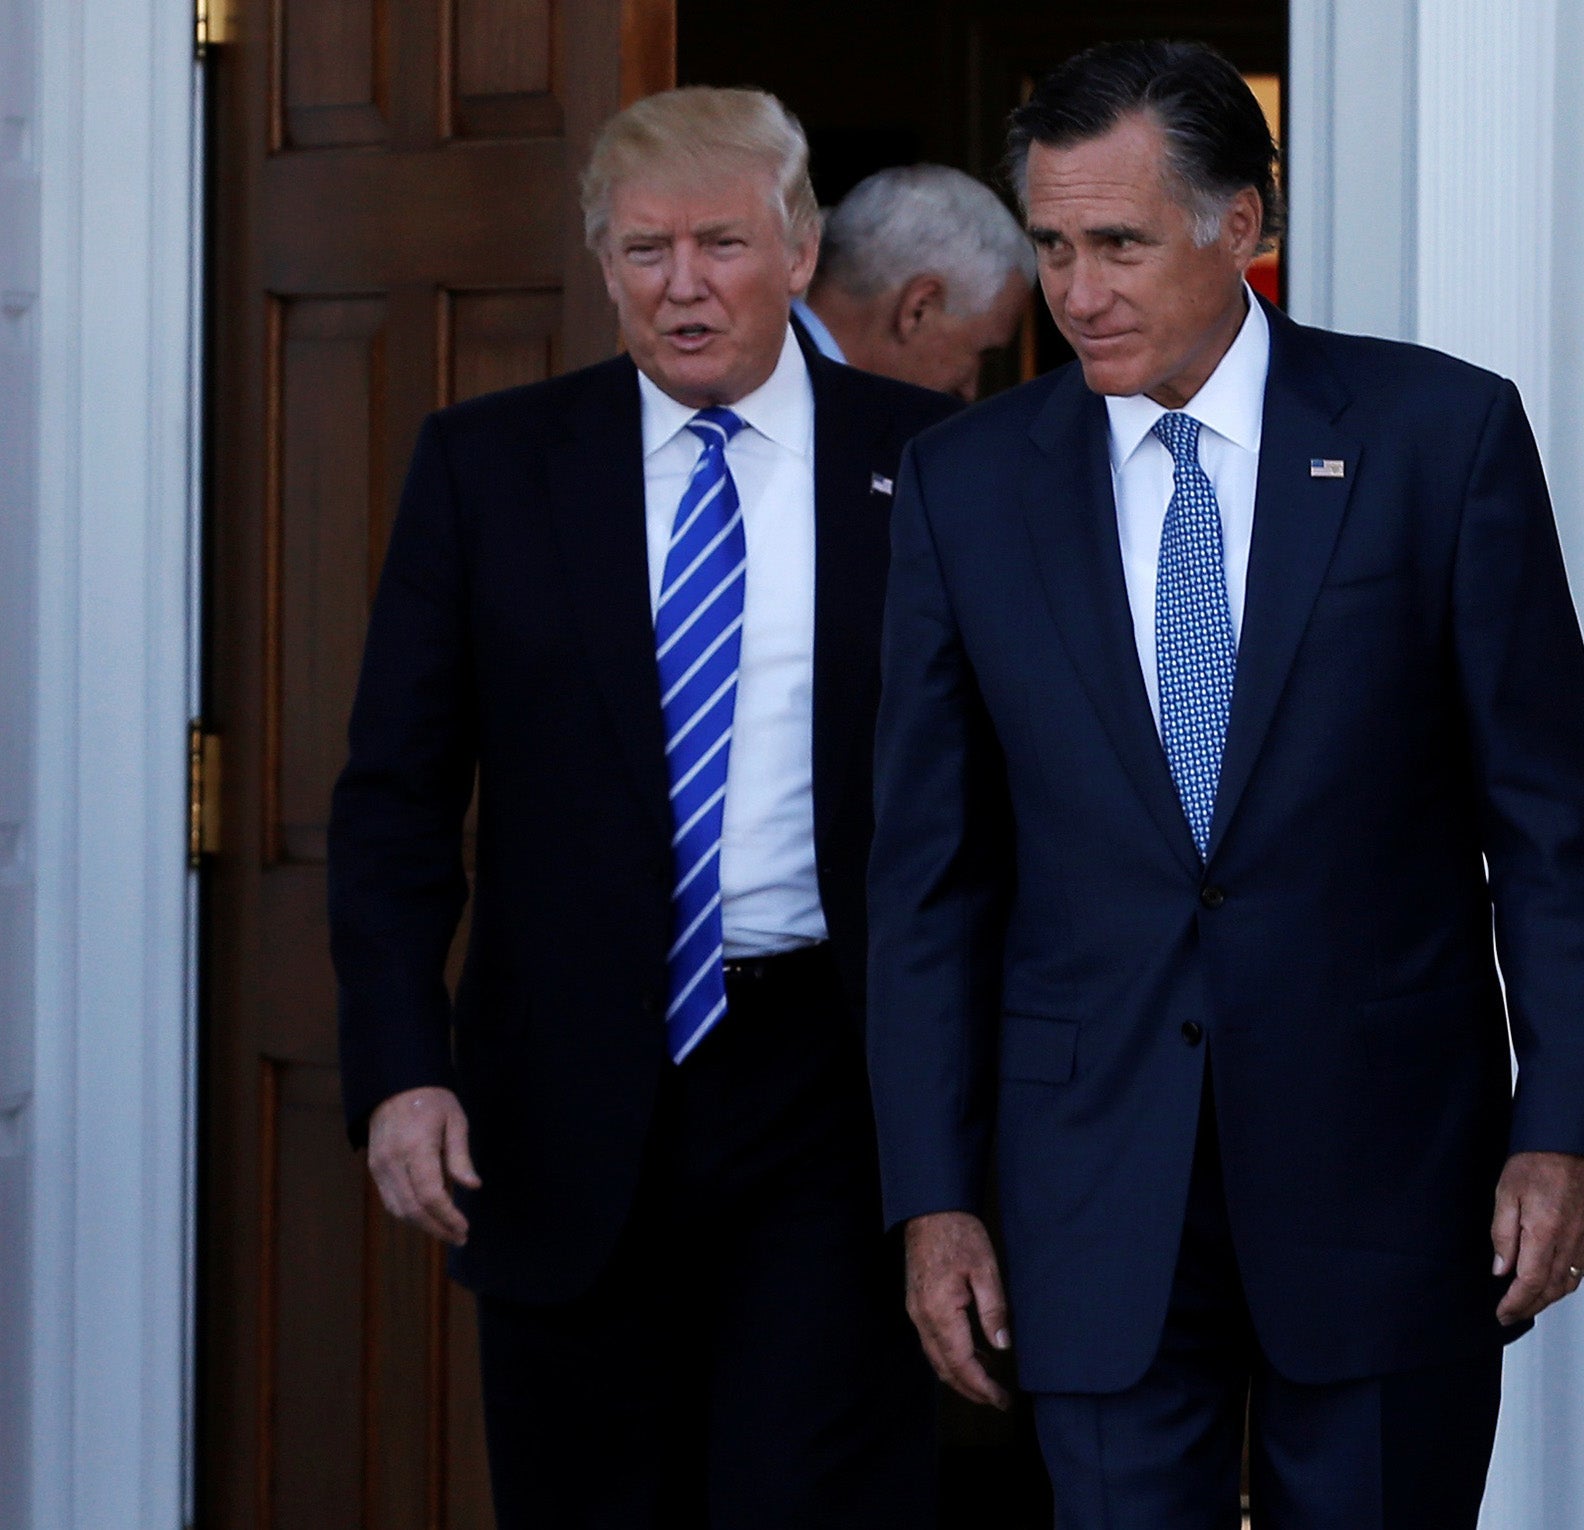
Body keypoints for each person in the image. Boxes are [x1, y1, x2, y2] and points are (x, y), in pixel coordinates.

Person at [865, 39, 1584, 1530]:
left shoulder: (1436, 438)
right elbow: (929, 876)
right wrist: (932, 1193)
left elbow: (1547, 825)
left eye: (1122, 243)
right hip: (1086, 1188)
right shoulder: (967, 484)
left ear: (1243, 228)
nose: (1079, 291)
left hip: (1387, 1176)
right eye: (1054, 248)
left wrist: (1566, 1124)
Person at [329, 86, 957, 1530]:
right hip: (563, 1096)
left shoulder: (932, 463)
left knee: (815, 1498)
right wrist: (399, 1064)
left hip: (834, 1084)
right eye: (645, 249)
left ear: (799, 253)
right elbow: (395, 801)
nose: (685, 286)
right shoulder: (486, 467)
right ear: (603, 264)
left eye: (723, 244)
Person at [794, 163, 1036, 401]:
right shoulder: (801, 405)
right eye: (982, 354)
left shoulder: (778, 375)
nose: (969, 391)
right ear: (919, 308)